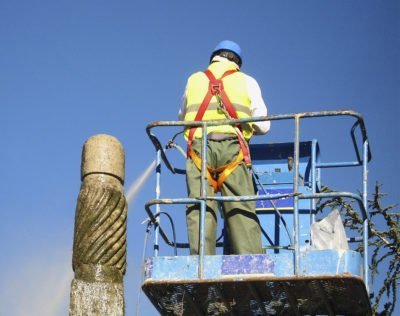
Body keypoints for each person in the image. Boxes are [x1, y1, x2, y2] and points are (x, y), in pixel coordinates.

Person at [178, 40, 270, 255]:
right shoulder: (246, 81)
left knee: (200, 208)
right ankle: (250, 263)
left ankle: (201, 264)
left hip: (199, 150)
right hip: (232, 149)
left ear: (213, 58)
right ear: (237, 62)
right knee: (240, 207)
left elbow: (182, 116)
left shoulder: (194, 80)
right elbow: (264, 126)